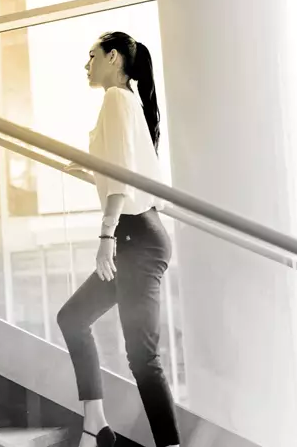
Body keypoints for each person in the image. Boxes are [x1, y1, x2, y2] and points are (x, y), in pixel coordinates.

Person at [57, 32, 181, 447]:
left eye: (91, 56)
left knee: (141, 356)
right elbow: (118, 167)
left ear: (113, 58)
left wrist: (106, 234)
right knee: (73, 318)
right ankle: (95, 425)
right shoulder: (128, 102)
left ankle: (170, 444)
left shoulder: (116, 98)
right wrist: (88, 170)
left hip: (135, 238)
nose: (86, 64)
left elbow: (124, 174)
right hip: (138, 236)